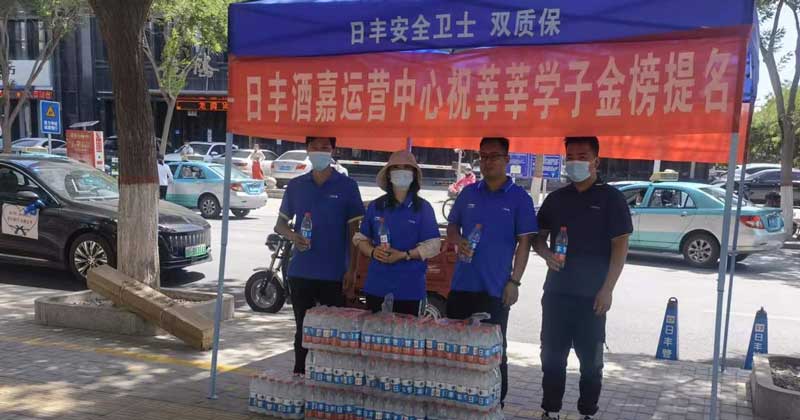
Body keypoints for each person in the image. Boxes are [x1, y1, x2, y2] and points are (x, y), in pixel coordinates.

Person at [533, 136, 633, 420]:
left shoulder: (611, 199)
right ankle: (550, 410)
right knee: (552, 358)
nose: (575, 162)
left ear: (596, 161)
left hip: (593, 297)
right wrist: (547, 254)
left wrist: (608, 289)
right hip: (557, 294)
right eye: (570, 157)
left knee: (591, 363)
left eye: (582, 156)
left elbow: (620, 246)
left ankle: (587, 412)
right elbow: (538, 239)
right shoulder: (556, 199)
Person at [446, 137, 537, 406]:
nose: (487, 162)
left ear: (507, 159)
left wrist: (515, 282)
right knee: (456, 348)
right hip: (462, 285)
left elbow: (524, 244)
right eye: (483, 156)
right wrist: (458, 240)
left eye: (494, 156)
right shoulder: (468, 193)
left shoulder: (519, 198)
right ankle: (458, 403)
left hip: (495, 289)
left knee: (495, 352)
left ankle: (496, 404)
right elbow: (452, 227)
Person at [274, 136, 365, 375]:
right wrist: (294, 236)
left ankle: (329, 380)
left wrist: (352, 270)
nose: (319, 152)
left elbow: (355, 233)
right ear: (307, 150)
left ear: (333, 150)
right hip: (301, 272)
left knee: (333, 333)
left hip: (334, 274)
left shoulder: (347, 186)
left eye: (325, 147)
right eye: (314, 147)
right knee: (303, 331)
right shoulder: (296, 185)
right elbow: (280, 225)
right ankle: (300, 377)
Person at [352, 150, 441, 316]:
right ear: (388, 174)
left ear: (414, 174)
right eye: (396, 168)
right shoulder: (376, 206)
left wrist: (404, 255)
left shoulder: (423, 208)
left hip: (410, 289)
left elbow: (434, 245)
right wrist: (373, 251)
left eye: (406, 167)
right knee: (375, 332)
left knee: (406, 332)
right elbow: (360, 239)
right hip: (377, 287)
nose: (401, 171)